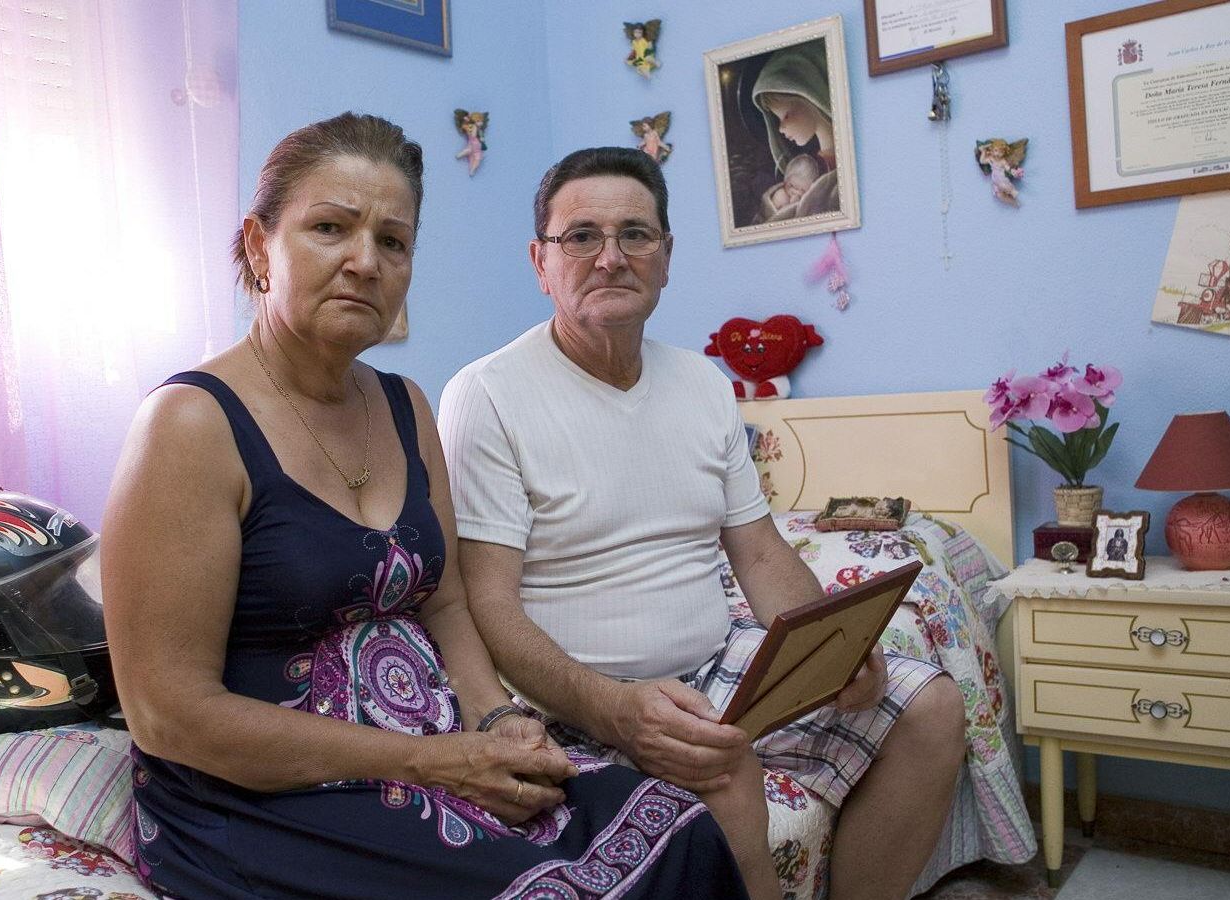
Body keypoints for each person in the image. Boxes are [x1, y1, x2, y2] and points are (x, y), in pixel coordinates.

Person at [101, 114, 747, 900]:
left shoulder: (406, 405)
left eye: (394, 242)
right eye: (330, 227)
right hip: (269, 794)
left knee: (680, 834)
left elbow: (446, 602)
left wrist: (494, 722)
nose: (365, 262)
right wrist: (434, 762)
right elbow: (168, 715)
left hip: (430, 747)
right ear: (259, 244)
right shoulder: (191, 424)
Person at [440, 147, 969, 900]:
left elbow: (757, 549)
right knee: (720, 766)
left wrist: (830, 646)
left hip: (713, 665)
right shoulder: (487, 395)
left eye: (636, 234)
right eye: (581, 236)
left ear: (666, 256)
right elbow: (486, 602)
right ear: (540, 261)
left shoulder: (703, 384)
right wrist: (614, 709)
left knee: (931, 707)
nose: (611, 257)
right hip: (574, 694)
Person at [751, 42, 840, 223]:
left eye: (785, 116)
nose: (781, 129)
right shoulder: (812, 167)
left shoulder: (838, 170)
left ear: (810, 97)